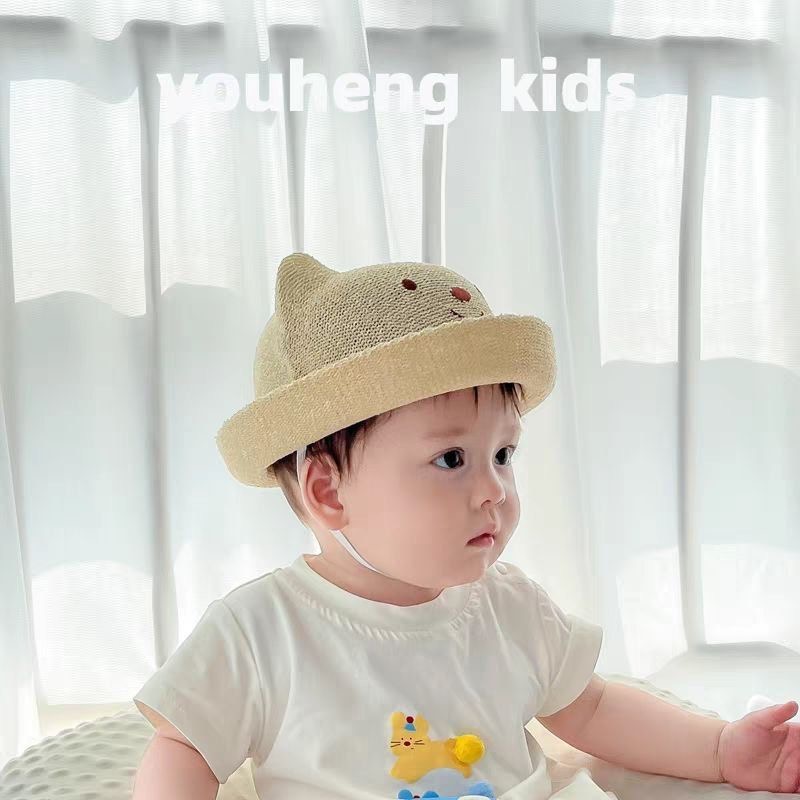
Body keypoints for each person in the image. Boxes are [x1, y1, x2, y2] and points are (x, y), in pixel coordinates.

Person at [131, 252, 799, 800]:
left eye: (503, 454)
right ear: (329, 492)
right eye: (451, 459)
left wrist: (720, 748)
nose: (494, 490)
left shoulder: (509, 606)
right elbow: (185, 745)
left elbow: (590, 708)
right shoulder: (259, 632)